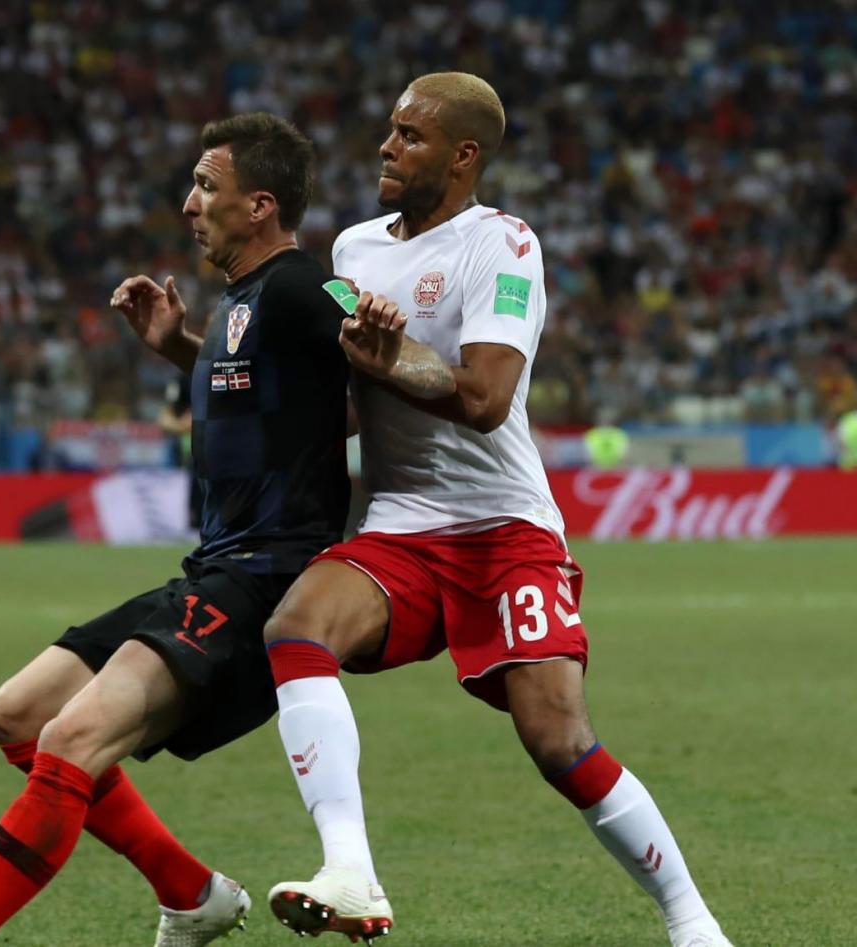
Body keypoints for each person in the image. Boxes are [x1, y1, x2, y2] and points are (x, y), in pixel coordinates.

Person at [259, 73, 731, 947]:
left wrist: (391, 356)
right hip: (399, 520)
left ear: (462, 155)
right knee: (296, 628)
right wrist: (199, 359)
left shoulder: (503, 245)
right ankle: (349, 870)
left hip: (502, 526)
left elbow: (483, 398)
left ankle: (692, 922)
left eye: (410, 135)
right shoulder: (353, 250)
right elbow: (349, 400)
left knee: (557, 739)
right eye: (390, 129)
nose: (386, 146)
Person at [0, 112, 352, 947]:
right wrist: (177, 346)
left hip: (264, 581)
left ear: (260, 205)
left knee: (71, 740)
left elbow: (376, 362)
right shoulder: (243, 299)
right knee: (18, 713)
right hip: (212, 566)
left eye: (206, 186)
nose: (189, 203)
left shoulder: (301, 287)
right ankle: (191, 892)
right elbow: (284, 394)